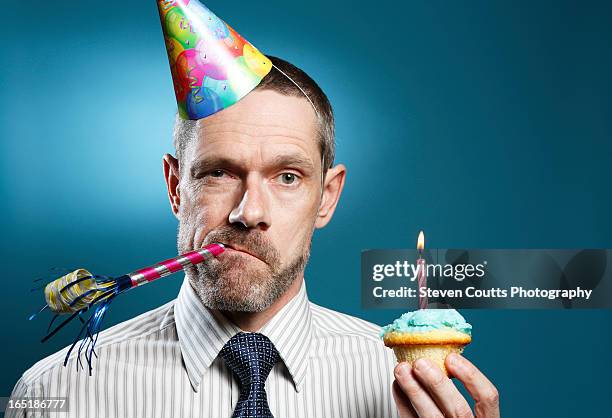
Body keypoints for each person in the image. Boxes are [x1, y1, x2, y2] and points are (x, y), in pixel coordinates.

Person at [8, 56, 499, 418]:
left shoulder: (411, 390)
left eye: (287, 176)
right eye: (220, 173)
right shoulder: (55, 393)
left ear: (327, 197)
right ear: (177, 187)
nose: (249, 213)